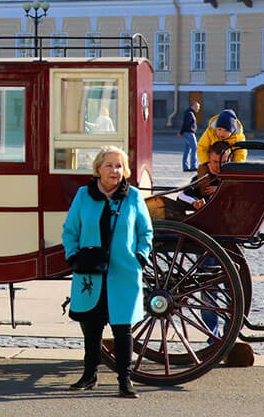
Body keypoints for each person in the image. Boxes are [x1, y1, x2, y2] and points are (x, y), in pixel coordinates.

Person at [62, 146, 153, 398]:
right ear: (98, 169)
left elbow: (146, 233)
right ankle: (89, 375)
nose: (115, 170)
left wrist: (140, 258)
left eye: (120, 166)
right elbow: (70, 230)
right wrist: (73, 256)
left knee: (122, 329)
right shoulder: (83, 195)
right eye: (110, 165)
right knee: (91, 328)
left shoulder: (133, 197)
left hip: (123, 273)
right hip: (89, 273)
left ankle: (125, 380)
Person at [180, 101, 200, 172]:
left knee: (187, 150)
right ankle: (193, 166)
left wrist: (182, 132)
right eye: (197, 106)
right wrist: (181, 132)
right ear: (193, 106)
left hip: (188, 132)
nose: (198, 108)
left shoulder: (189, 112)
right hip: (189, 133)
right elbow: (186, 124)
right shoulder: (189, 113)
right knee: (194, 148)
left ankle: (185, 167)